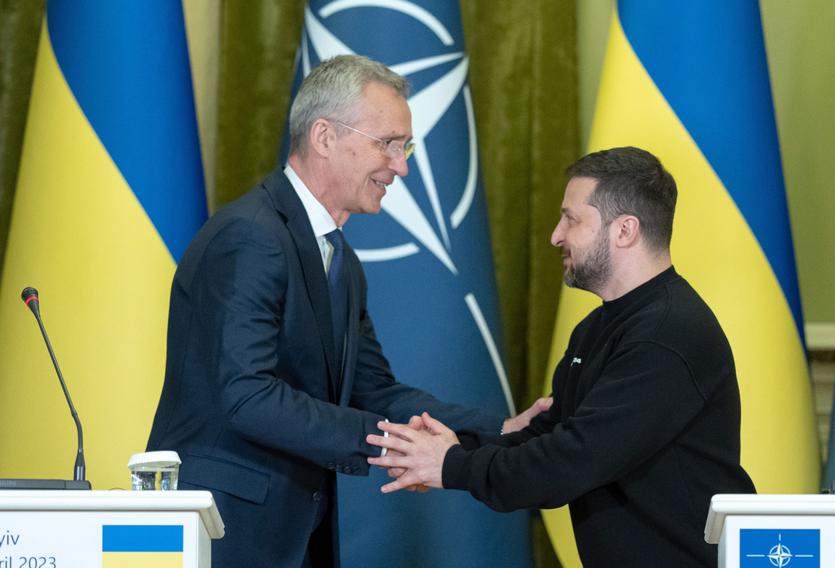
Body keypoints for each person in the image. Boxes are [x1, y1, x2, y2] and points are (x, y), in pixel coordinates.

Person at [146, 54, 547, 568]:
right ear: (324, 137)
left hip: (293, 533)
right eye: (388, 144)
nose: (401, 166)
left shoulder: (340, 258)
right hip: (223, 530)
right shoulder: (251, 237)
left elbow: (375, 389)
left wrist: (499, 431)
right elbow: (246, 396)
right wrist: (392, 444)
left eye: (406, 147)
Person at [367, 147, 757, 567]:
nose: (556, 235)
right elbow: (549, 434)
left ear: (625, 230)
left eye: (571, 218)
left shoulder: (667, 335)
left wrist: (451, 464)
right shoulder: (597, 328)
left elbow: (570, 461)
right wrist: (447, 447)